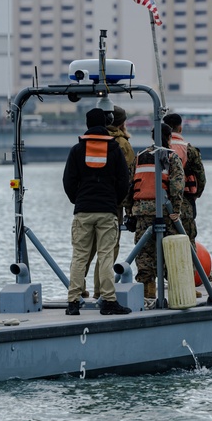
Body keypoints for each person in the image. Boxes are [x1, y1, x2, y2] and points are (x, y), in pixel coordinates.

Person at [62, 107, 132, 316]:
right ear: (106, 123)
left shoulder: (77, 149)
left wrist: (78, 199)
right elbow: (124, 181)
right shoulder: (115, 149)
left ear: (87, 125)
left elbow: (68, 181)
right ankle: (109, 301)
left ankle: (73, 301)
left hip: (83, 210)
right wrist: (114, 201)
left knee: (80, 256)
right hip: (107, 210)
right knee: (106, 256)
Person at [81, 105, 136, 299]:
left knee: (84, 250)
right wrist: (127, 206)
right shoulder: (121, 144)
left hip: (86, 203)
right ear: (122, 123)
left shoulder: (88, 141)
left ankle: (79, 288)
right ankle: (101, 290)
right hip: (112, 205)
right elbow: (128, 177)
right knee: (109, 249)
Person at [125, 122, 184, 300]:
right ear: (169, 137)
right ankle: (176, 287)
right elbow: (177, 184)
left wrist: (129, 211)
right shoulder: (171, 156)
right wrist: (177, 209)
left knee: (143, 250)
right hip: (164, 209)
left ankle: (147, 287)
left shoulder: (140, 156)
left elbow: (130, 185)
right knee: (170, 247)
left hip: (141, 209)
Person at [163, 112, 206, 248]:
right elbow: (201, 178)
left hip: (159, 202)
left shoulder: (155, 150)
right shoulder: (190, 150)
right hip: (185, 201)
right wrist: (195, 195)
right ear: (180, 128)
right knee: (187, 242)